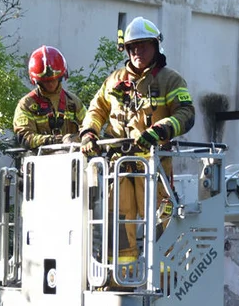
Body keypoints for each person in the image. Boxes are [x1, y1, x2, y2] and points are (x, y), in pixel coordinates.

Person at [79, 17, 195, 264]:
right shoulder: (114, 80)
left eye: (143, 45)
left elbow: (186, 113)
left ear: (155, 46)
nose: (137, 51)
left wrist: (159, 130)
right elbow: (96, 109)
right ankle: (121, 278)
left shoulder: (170, 80)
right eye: (132, 47)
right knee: (118, 222)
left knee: (161, 221)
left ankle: (166, 280)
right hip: (119, 167)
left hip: (154, 168)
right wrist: (89, 132)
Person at [13, 45, 86, 150]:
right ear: (37, 81)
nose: (50, 84)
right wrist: (53, 140)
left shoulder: (73, 103)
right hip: (39, 161)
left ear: (61, 77)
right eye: (46, 81)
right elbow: (25, 137)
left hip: (72, 161)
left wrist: (75, 139)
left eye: (54, 80)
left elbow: (89, 129)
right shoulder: (27, 105)